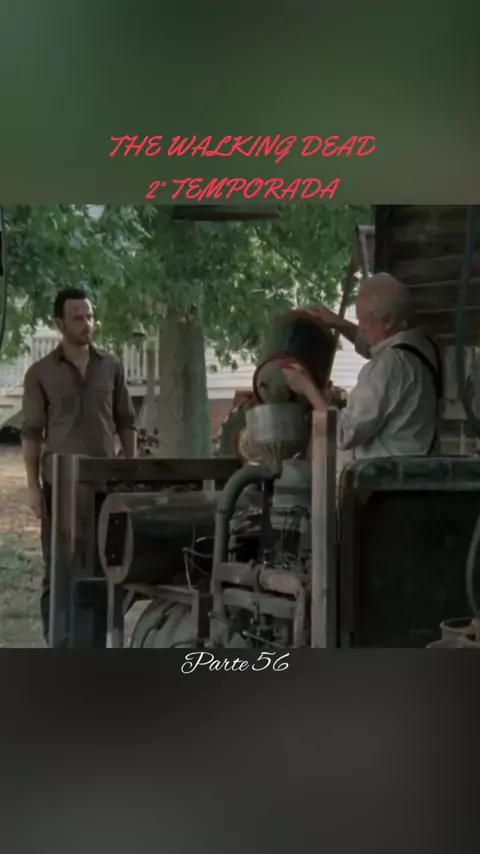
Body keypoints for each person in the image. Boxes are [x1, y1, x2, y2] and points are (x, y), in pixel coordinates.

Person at [21, 286, 138, 644]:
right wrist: (33, 488)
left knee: (105, 567)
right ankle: (59, 647)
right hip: (60, 488)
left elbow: (126, 422)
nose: (87, 324)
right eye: (78, 318)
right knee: (59, 569)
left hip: (104, 486)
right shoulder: (41, 373)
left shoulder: (111, 366)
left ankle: (95, 646)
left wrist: (130, 469)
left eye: (89, 316)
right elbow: (32, 434)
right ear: (60, 324)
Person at [282, 273, 442, 459]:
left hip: (390, 473)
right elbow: (373, 344)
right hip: (419, 466)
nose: (362, 328)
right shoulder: (422, 345)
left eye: (363, 320)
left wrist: (307, 388)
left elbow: (343, 433)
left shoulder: (387, 366)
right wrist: (338, 323)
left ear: (388, 321)